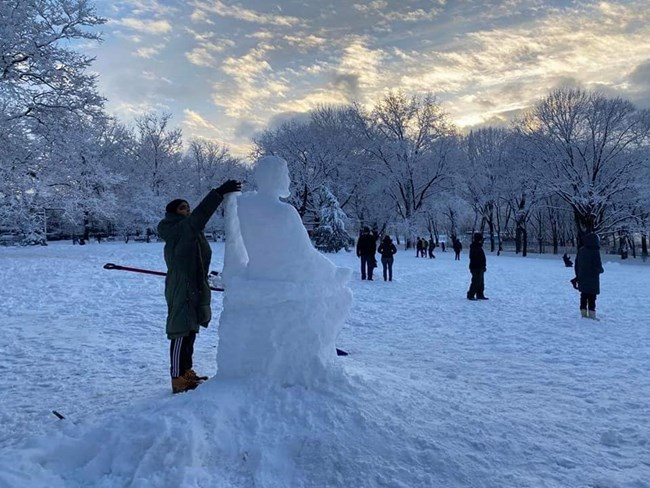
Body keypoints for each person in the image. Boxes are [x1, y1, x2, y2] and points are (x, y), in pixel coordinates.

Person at [157, 179, 242, 394]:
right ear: (173, 213)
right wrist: (218, 194)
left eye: (188, 207)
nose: (187, 210)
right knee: (180, 332)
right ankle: (177, 378)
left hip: (194, 286)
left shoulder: (191, 233)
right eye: (182, 207)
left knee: (191, 331)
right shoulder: (176, 230)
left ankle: (187, 372)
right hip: (181, 287)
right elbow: (198, 218)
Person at [574, 231, 604, 319]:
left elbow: (576, 264)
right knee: (592, 297)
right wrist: (600, 270)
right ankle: (592, 314)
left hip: (582, 277)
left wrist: (578, 275)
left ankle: (583, 313)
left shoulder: (581, 250)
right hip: (593, 278)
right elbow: (598, 266)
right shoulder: (595, 251)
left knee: (583, 296)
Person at [467, 232, 488, 300]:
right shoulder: (475, 247)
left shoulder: (478, 246)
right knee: (476, 281)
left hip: (480, 267)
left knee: (481, 282)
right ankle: (471, 294)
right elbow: (474, 257)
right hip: (476, 267)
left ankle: (480, 294)